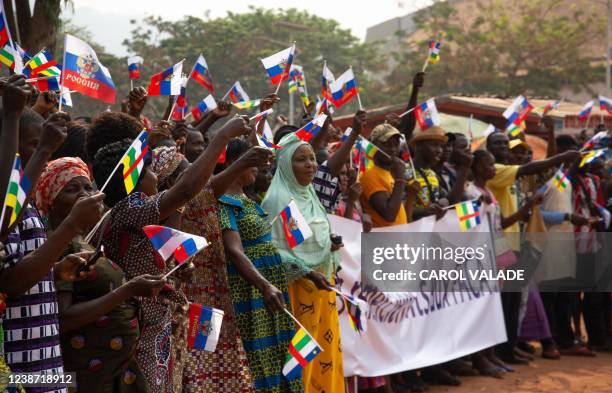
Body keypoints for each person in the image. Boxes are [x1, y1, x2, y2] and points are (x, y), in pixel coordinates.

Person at [91, 116, 251, 393]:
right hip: (139, 330)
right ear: (136, 181)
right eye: (151, 170)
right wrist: (223, 135)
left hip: (153, 326)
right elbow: (187, 189)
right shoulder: (130, 207)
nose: (157, 177)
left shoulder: (131, 210)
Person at [34, 157, 167, 392]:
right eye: (71, 189)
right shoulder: (56, 245)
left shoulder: (81, 241)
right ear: (51, 200)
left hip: (111, 373)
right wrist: (127, 291)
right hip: (82, 378)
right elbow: (63, 319)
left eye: (87, 187)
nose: (84, 195)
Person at [485, 131, 580, 364]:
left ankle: (509, 346)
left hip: (519, 243)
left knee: (516, 300)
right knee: (504, 300)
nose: (505, 148)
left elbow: (546, 171)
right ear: (488, 148)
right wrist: (561, 155)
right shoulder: (495, 171)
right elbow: (536, 168)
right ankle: (501, 350)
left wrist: (550, 138)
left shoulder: (520, 177)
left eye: (507, 144)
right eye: (499, 144)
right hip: (499, 245)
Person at [218, 139, 303, 393]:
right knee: (260, 355)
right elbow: (234, 251)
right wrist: (264, 286)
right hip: (252, 292)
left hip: (269, 286)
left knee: (280, 350)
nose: (259, 169)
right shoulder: (224, 201)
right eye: (254, 163)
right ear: (235, 163)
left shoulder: (247, 199)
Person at [262, 134, 345, 393]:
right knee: (303, 357)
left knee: (326, 353)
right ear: (286, 165)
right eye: (301, 160)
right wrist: (306, 271)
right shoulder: (277, 199)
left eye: (311, 158)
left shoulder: (311, 196)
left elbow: (315, 236)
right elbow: (270, 250)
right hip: (296, 291)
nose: (310, 164)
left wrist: (330, 244)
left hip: (322, 287)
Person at [359, 123, 420, 228]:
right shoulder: (370, 175)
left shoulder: (391, 173)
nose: (392, 149)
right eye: (386, 144)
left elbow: (399, 212)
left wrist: (411, 195)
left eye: (396, 144)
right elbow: (389, 215)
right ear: (373, 145)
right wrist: (400, 179)